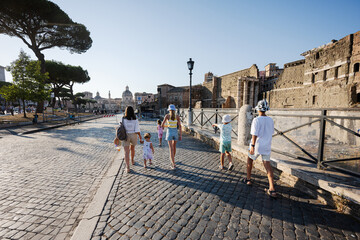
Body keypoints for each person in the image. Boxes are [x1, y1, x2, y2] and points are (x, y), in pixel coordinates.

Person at [243, 99, 276, 198]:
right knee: (267, 166)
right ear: (266, 110)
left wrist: (252, 146)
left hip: (257, 145)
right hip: (266, 145)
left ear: (258, 109)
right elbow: (271, 132)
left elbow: (254, 134)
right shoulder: (270, 120)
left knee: (250, 160)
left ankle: (248, 179)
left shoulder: (256, 120)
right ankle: (272, 189)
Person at [121, 106, 143, 173]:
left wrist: (117, 137)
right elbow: (137, 129)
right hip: (134, 135)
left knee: (126, 152)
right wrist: (140, 137)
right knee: (133, 149)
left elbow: (120, 128)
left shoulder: (123, 119)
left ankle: (127, 167)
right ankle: (132, 161)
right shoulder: (135, 119)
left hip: (126, 136)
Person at [161, 104, 182, 169]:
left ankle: (173, 163)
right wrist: (180, 135)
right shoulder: (177, 116)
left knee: (171, 149)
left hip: (169, 132)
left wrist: (166, 126)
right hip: (175, 132)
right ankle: (173, 159)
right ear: (174, 110)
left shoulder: (167, 116)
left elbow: (162, 125)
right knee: (174, 147)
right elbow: (180, 126)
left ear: (169, 110)